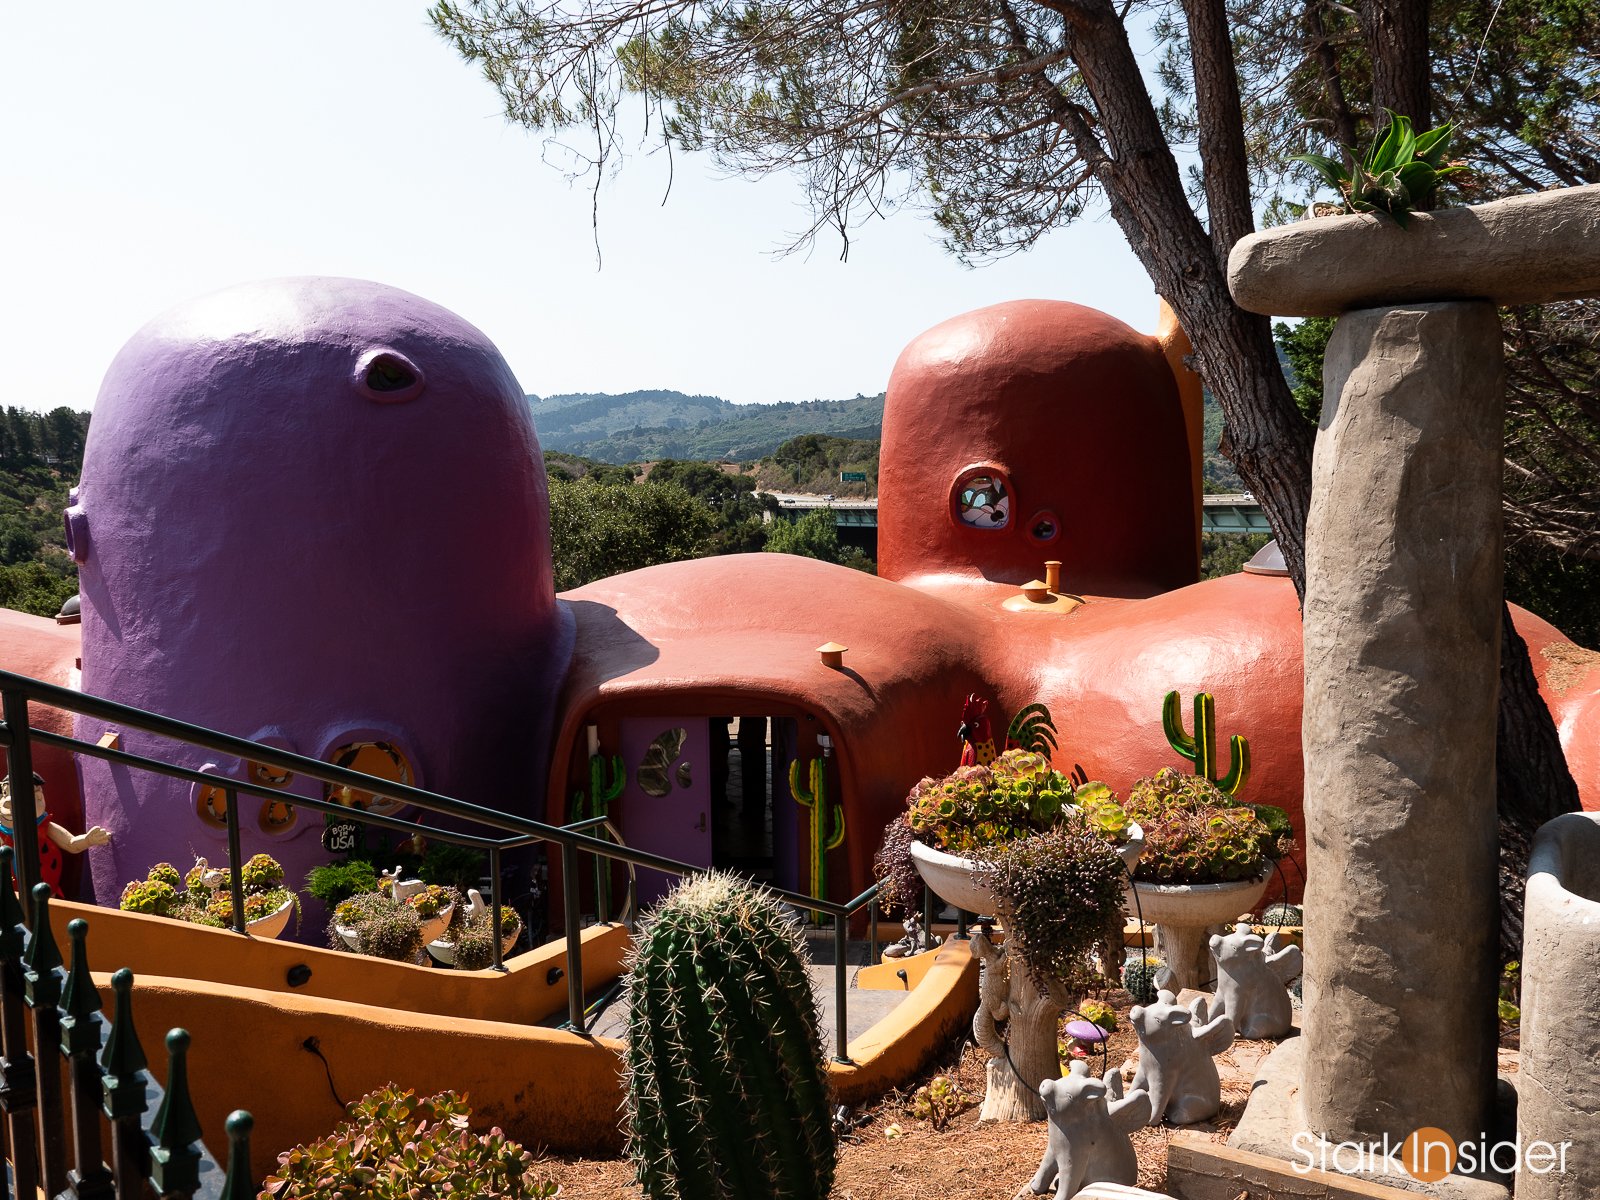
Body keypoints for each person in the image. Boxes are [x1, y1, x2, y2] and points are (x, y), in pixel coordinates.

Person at [0, 772, 111, 896]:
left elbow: (71, 843)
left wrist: (88, 840)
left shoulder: (44, 826)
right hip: (9, 896)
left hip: (44, 894)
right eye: (5, 794)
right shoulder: (1, 832)